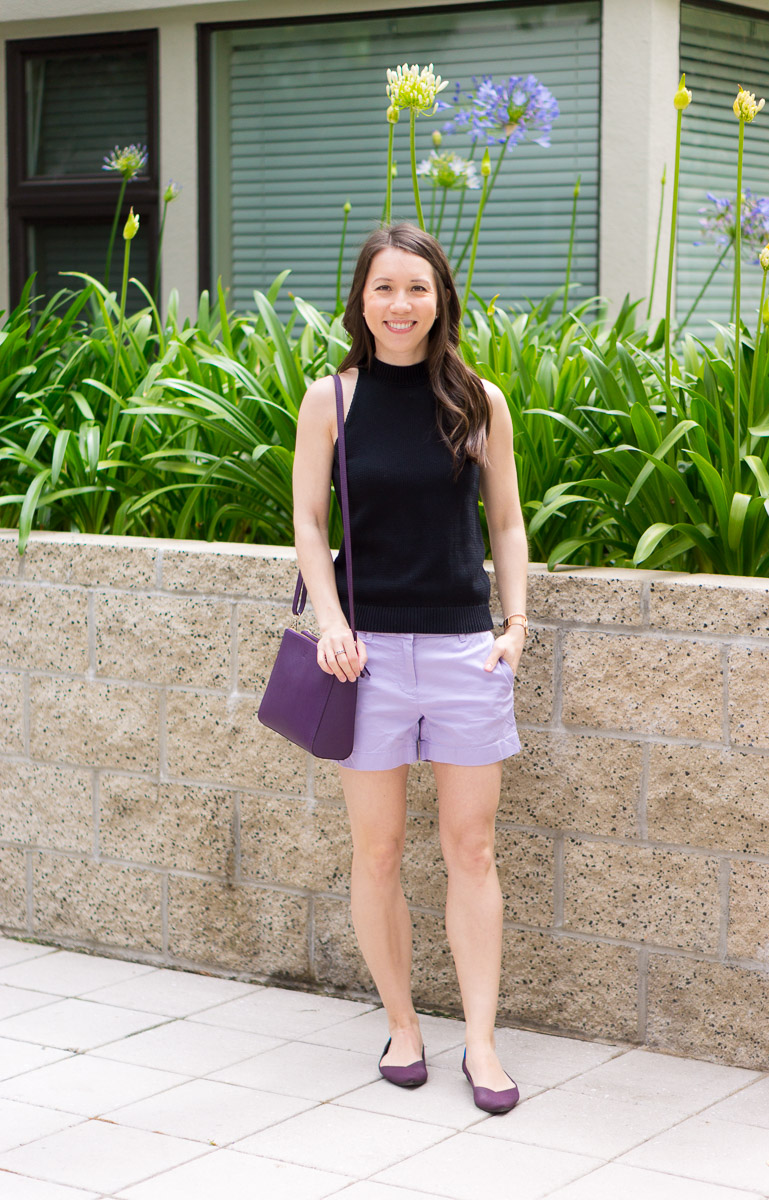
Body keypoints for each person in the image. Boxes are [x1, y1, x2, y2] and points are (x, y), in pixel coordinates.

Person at [292, 222, 528, 1114]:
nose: (400, 305)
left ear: (442, 299)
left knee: (472, 849)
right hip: (366, 658)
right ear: (362, 298)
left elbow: (505, 523)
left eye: (417, 289)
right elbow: (311, 525)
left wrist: (515, 624)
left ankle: (481, 1042)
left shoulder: (478, 399)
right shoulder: (331, 398)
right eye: (384, 288)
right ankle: (401, 1023)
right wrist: (331, 621)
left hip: (467, 647)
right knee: (378, 850)